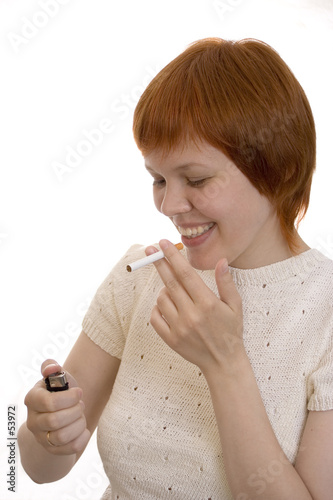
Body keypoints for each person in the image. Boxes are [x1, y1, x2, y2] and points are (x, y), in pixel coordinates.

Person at [18, 37, 333, 499]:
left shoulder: (324, 311)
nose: (170, 205)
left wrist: (225, 364)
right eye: (158, 179)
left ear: (279, 168)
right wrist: (41, 430)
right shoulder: (139, 276)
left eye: (197, 179)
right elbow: (34, 468)